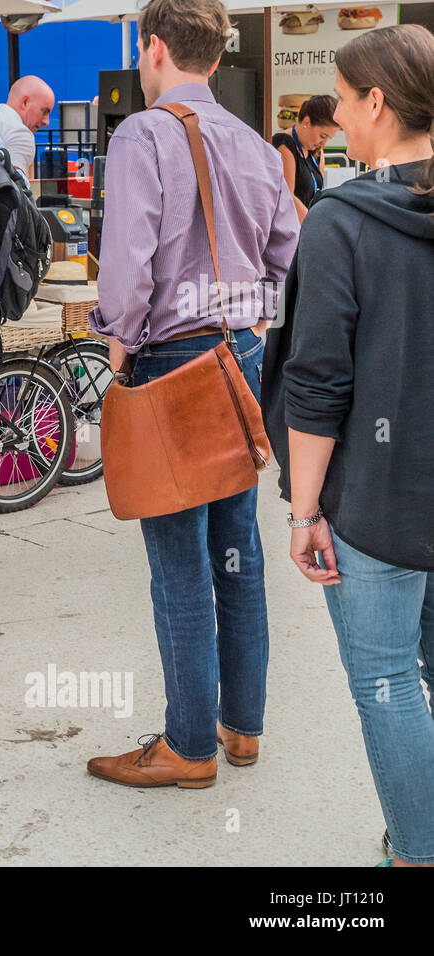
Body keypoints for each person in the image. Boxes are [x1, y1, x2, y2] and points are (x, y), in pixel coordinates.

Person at [85, 0, 299, 788]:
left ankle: (187, 746)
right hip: (238, 360)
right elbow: (291, 260)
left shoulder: (143, 134)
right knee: (236, 554)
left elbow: (128, 264)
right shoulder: (251, 143)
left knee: (178, 564)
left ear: (153, 50)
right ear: (215, 57)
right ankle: (240, 729)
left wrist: (118, 336)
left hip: (170, 359)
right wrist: (250, 318)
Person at [263, 24, 434, 867]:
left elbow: (317, 384)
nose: (334, 111)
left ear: (377, 102)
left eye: (341, 94)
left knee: (387, 681)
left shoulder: (340, 222)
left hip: (373, 502)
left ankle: (417, 854)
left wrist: (302, 511)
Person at [272, 94, 340, 221]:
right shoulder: (284, 143)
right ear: (307, 122)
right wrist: (314, 226)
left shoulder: (317, 150)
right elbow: (288, 196)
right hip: (291, 228)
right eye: (322, 135)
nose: (324, 143)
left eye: (328, 138)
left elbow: (318, 192)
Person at [0, 74, 55, 180]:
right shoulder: (21, 134)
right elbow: (15, 191)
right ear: (25, 102)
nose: (46, 122)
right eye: (44, 111)